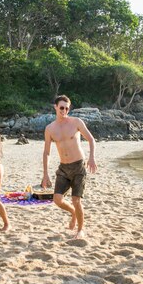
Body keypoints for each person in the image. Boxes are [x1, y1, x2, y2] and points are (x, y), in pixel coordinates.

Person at [41, 95, 97, 239]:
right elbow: (46, 152)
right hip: (63, 168)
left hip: (78, 165)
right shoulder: (50, 129)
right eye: (61, 107)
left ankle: (80, 230)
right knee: (57, 199)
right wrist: (45, 174)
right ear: (55, 107)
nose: (64, 110)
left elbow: (91, 139)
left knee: (76, 200)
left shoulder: (76, 122)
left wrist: (91, 158)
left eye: (67, 108)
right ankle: (73, 212)